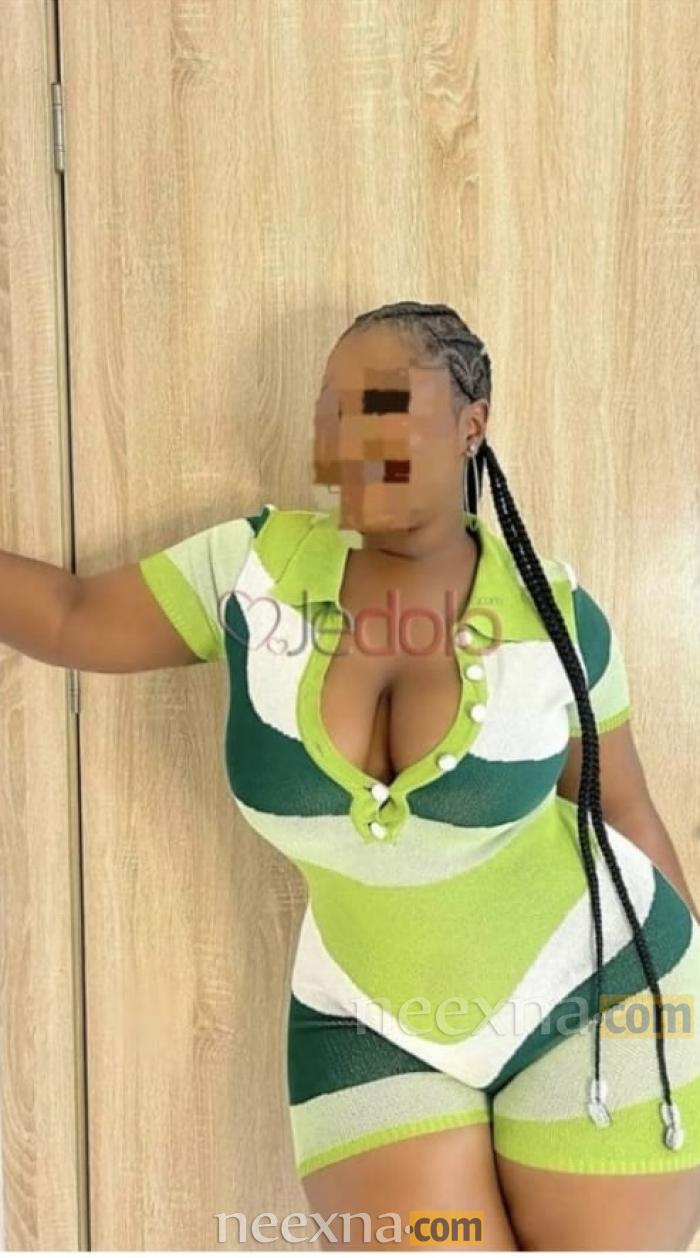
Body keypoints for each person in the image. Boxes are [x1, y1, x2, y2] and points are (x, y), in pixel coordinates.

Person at [2, 300, 699, 1250]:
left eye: (381, 406)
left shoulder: (557, 616)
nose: (343, 440)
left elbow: (621, 808)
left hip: (602, 1002)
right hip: (366, 1030)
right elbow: (72, 615)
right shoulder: (256, 571)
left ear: (471, 423)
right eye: (330, 412)